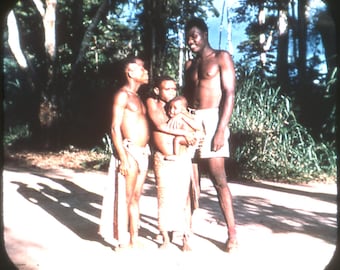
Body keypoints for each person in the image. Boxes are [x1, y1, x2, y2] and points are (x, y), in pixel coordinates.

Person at [183, 17, 238, 252]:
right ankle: (186, 232)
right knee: (189, 180)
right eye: (187, 37)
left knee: (219, 179)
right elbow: (185, 96)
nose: (190, 41)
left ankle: (232, 235)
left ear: (205, 34)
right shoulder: (189, 65)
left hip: (213, 119)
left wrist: (220, 130)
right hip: (190, 119)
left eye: (194, 35)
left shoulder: (221, 57)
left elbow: (230, 93)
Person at [99, 56, 150, 248]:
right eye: (142, 69)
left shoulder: (138, 97)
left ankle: (134, 238)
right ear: (130, 72)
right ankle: (121, 241)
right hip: (129, 152)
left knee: (136, 197)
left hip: (144, 152)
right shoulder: (122, 95)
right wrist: (123, 157)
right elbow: (114, 128)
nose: (146, 72)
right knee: (125, 198)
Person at [146, 75, 197, 251]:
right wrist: (186, 133)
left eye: (174, 89)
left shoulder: (180, 107)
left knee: (184, 197)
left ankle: (185, 237)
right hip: (162, 157)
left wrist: (191, 134)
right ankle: (166, 237)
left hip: (181, 157)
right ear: (157, 90)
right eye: (167, 89)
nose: (171, 92)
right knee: (164, 196)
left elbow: (197, 128)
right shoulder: (152, 103)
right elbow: (159, 125)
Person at [165, 95, 204, 160]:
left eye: (175, 108)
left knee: (177, 140)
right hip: (185, 138)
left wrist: (183, 117)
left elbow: (198, 127)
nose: (171, 110)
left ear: (183, 109)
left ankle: (176, 155)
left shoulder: (187, 116)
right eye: (170, 107)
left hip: (193, 138)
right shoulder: (173, 118)